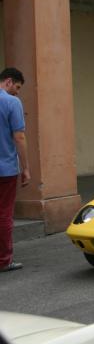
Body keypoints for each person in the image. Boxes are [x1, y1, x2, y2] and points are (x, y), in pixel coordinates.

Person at [0, 68, 29, 273]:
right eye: (17, 88)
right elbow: (19, 137)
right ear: (9, 81)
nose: (17, 92)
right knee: (4, 214)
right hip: (5, 169)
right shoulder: (11, 103)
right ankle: (4, 260)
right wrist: (25, 168)